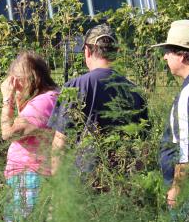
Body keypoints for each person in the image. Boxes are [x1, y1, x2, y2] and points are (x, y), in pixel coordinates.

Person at [49, 23, 148, 175]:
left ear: (87, 51)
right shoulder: (135, 91)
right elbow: (144, 145)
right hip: (124, 180)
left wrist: (57, 184)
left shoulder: (75, 86)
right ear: (117, 52)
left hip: (86, 181)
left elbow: (61, 141)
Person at [0, 51, 59, 222]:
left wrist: (7, 99)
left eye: (17, 80)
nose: (14, 84)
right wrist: (19, 98)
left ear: (30, 79)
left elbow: (8, 133)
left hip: (31, 175)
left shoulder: (43, 102)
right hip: (27, 175)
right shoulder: (44, 98)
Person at [152, 20, 189, 209]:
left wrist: (177, 191)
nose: (164, 57)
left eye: (168, 51)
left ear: (182, 55)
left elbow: (188, 152)